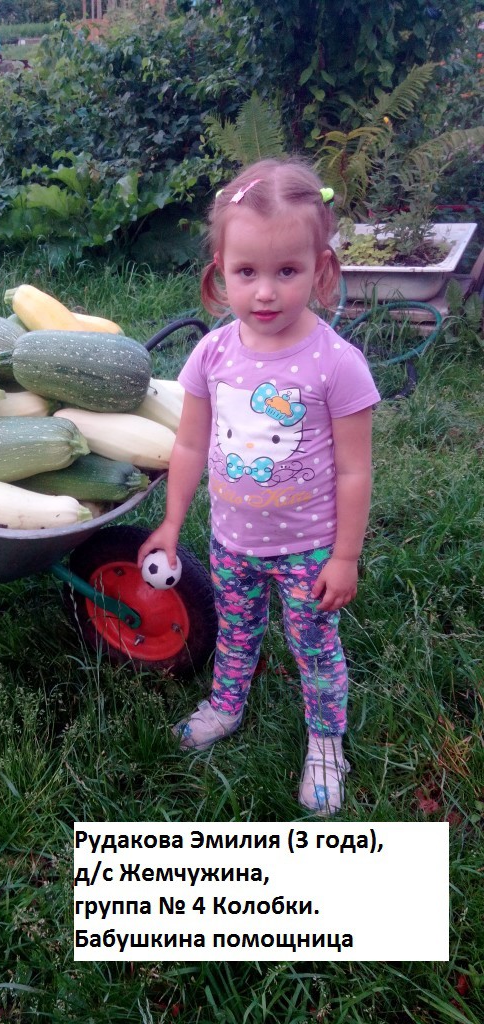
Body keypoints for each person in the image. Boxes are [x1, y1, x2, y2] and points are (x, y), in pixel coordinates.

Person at [138, 158, 380, 815]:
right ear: (220, 271)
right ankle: (226, 704)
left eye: (287, 272)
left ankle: (325, 743)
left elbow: (355, 470)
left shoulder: (337, 365)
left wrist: (345, 556)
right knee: (235, 629)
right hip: (232, 544)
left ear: (320, 269)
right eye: (247, 273)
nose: (266, 293)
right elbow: (190, 445)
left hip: (309, 552)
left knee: (315, 649)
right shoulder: (212, 354)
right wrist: (171, 522)